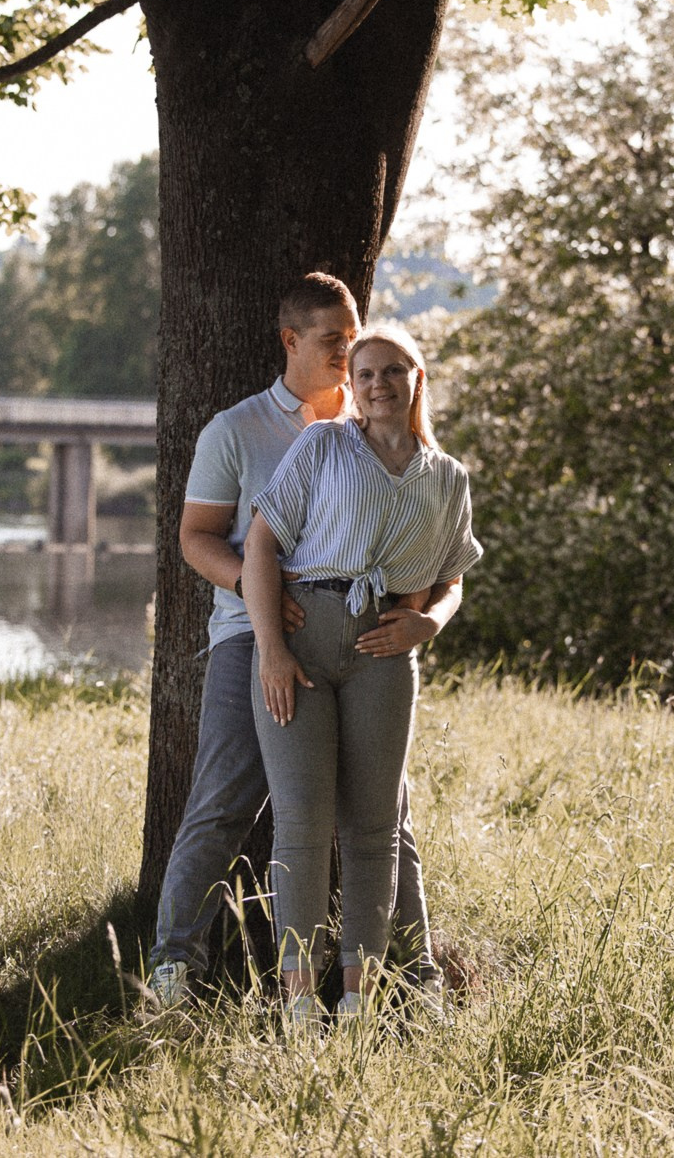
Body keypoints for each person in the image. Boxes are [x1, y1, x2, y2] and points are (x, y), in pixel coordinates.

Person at [145, 275, 443, 1010]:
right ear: (291, 341)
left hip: (359, 645)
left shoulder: (372, 420)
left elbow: (422, 531)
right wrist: (266, 603)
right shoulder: (236, 430)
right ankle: (172, 968)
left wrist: (420, 615)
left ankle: (414, 971)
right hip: (253, 639)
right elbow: (196, 538)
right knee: (223, 799)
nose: (350, 355)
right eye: (334, 341)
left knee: (385, 814)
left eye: (355, 337)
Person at [243, 321, 481, 1024]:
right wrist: (271, 650)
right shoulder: (324, 445)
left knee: (375, 828)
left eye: (392, 372)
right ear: (352, 384)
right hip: (304, 639)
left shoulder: (447, 477)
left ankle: (356, 997)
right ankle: (298, 1002)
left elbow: (453, 578)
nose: (378, 384)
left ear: (416, 381)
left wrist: (430, 621)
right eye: (365, 372)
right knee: (302, 821)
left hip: (385, 650)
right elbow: (260, 544)